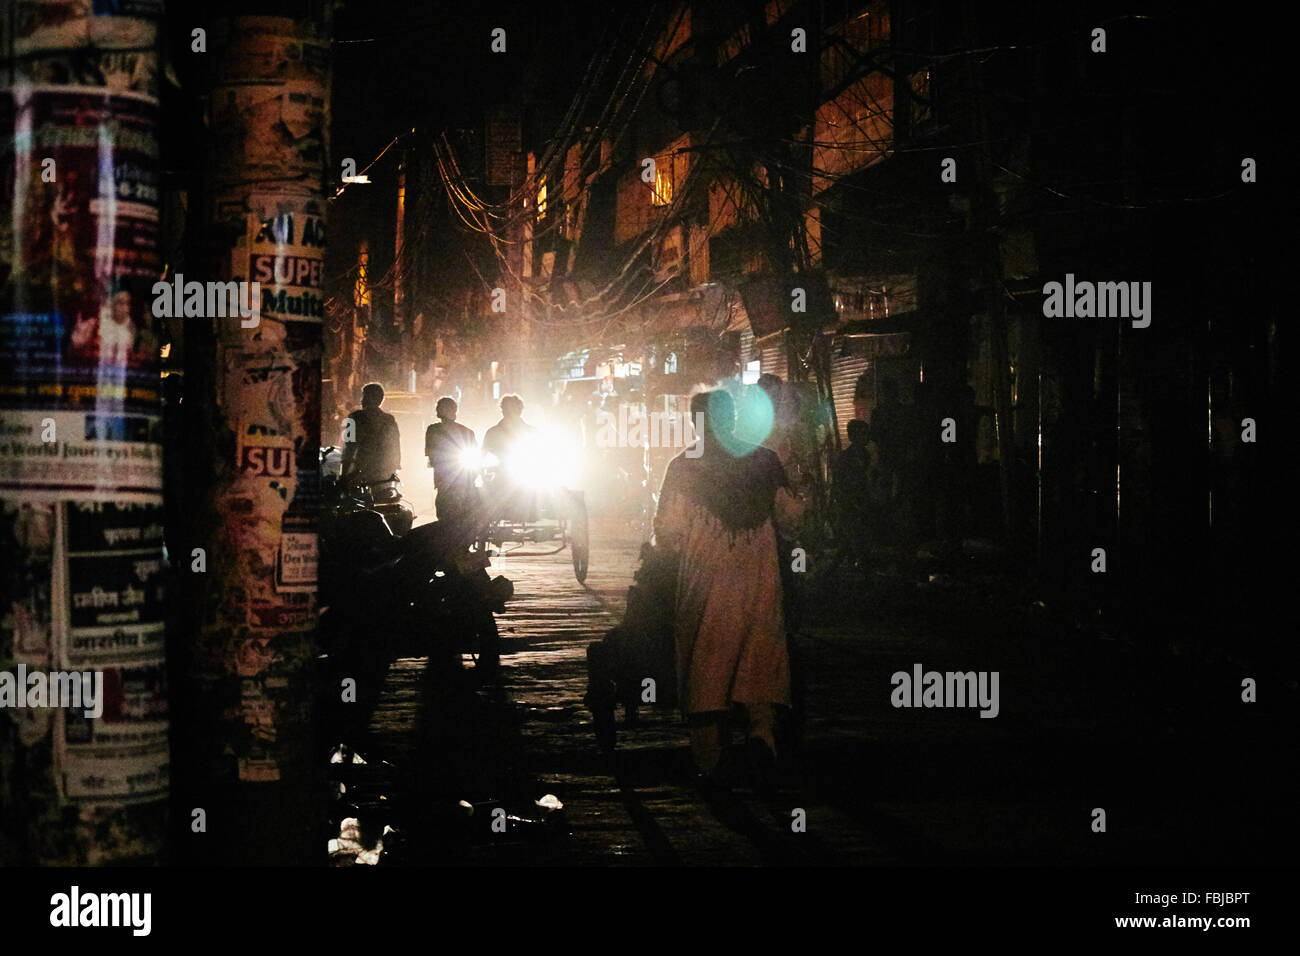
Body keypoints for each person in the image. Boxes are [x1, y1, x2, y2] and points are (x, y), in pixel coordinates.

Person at [653, 389, 803, 790]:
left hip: (706, 578)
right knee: (760, 653)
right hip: (759, 576)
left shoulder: (683, 466)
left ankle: (709, 758)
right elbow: (791, 519)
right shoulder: (766, 461)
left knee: (707, 657)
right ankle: (762, 735)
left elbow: (669, 529)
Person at [424, 396, 478, 523]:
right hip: (464, 480)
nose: (436, 409)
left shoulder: (433, 430)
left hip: (443, 480)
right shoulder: (468, 432)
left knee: (443, 513)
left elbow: (431, 456)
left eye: (439, 406)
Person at [340, 383, 401, 490]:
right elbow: (395, 446)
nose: (361, 400)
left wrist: (344, 475)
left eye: (363, 396)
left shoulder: (354, 417)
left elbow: (348, 448)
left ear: (370, 398)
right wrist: (394, 468)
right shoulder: (389, 420)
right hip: (383, 473)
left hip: (360, 471)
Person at [831, 419, 872, 569]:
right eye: (862, 434)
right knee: (854, 538)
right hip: (850, 503)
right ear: (853, 436)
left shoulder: (865, 455)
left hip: (860, 501)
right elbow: (842, 483)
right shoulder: (846, 458)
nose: (866, 437)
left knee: (856, 539)